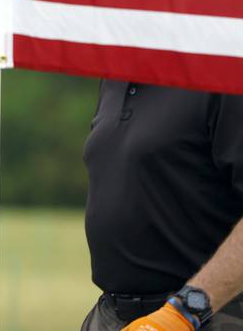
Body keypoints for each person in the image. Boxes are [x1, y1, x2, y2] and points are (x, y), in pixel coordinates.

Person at [81, 80, 243, 331]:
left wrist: (185, 312)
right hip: (112, 315)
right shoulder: (113, 78)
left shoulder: (222, 71)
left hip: (205, 316)